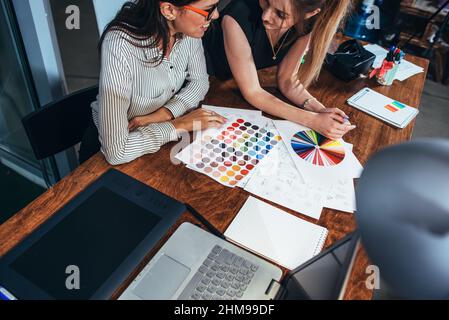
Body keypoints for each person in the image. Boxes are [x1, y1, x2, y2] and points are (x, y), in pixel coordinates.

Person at [79, 0, 226, 165]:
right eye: (208, 9)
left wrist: (165, 114)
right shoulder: (120, 45)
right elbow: (117, 152)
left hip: (155, 142)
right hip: (103, 158)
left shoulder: (188, 30)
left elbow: (199, 82)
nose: (216, 15)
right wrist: (180, 124)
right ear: (169, 10)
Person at [202, 0, 356, 140]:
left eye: (281, 14)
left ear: (309, 14)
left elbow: (288, 80)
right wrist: (312, 120)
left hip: (233, 86)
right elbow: (253, 92)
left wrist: (320, 110)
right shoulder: (237, 15)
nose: (266, 16)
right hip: (206, 81)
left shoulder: (308, 23)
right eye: (266, 2)